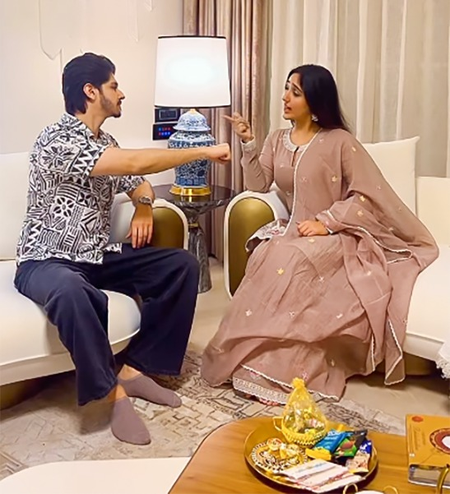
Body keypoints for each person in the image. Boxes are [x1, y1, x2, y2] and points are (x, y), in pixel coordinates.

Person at [14, 52, 231, 445]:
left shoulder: (105, 142)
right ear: (90, 91)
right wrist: (203, 151)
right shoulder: (57, 139)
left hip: (94, 257)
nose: (121, 93)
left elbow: (138, 183)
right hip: (46, 261)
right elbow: (133, 164)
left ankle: (136, 370)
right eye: (114, 86)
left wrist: (144, 207)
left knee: (181, 265)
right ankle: (111, 393)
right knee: (71, 290)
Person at [201, 64, 438, 405]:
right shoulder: (276, 140)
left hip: (336, 235)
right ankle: (252, 361)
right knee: (268, 253)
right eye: (287, 88)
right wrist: (249, 142)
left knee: (292, 259)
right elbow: (258, 184)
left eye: (295, 92)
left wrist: (326, 222)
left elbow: (365, 194)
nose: (286, 97)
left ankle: (282, 371)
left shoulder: (339, 141)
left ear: (315, 101)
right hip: (293, 232)